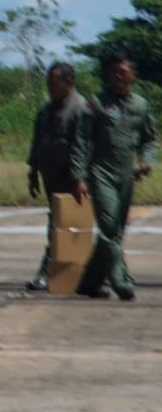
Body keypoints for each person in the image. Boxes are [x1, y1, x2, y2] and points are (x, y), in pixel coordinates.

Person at [75, 47, 157, 302]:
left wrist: (145, 161)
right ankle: (122, 280)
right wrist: (79, 175)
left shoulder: (140, 105)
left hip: (126, 175)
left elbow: (150, 139)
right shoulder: (96, 103)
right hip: (100, 173)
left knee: (116, 231)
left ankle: (89, 282)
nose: (118, 77)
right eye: (113, 73)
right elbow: (82, 140)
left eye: (123, 72)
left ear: (132, 73)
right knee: (109, 225)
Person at [24, 61, 89, 292]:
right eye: (48, 82)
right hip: (49, 175)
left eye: (54, 82)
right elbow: (37, 141)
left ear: (69, 82)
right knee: (60, 224)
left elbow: (83, 146)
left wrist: (79, 178)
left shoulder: (80, 109)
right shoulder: (45, 109)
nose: (50, 87)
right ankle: (67, 276)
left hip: (70, 178)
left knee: (62, 226)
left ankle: (47, 273)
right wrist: (32, 171)